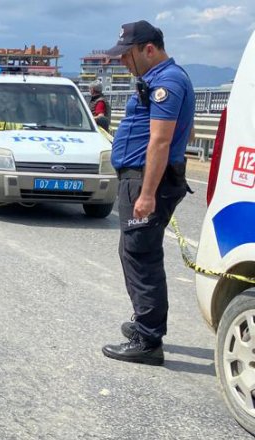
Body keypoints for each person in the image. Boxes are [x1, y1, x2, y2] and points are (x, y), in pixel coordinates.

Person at [100, 20, 194, 366]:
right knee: (134, 250)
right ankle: (146, 322)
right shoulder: (158, 79)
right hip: (140, 177)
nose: (124, 62)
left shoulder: (167, 82)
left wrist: (148, 193)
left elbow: (161, 140)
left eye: (127, 55)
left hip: (146, 180)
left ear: (148, 49)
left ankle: (149, 339)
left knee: (141, 254)